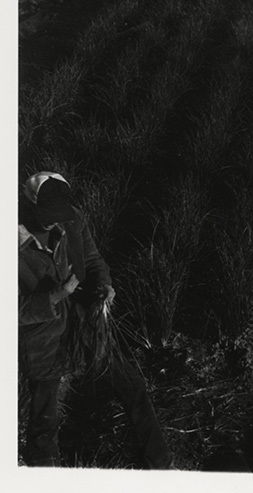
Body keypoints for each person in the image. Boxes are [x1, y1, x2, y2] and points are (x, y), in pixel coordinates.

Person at [19, 172, 172, 468]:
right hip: (43, 337)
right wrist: (53, 296)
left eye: (57, 214)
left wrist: (105, 284)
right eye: (46, 215)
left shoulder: (72, 219)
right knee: (43, 422)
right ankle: (44, 481)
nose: (53, 221)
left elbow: (92, 259)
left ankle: (162, 467)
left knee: (132, 384)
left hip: (85, 323)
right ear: (27, 204)